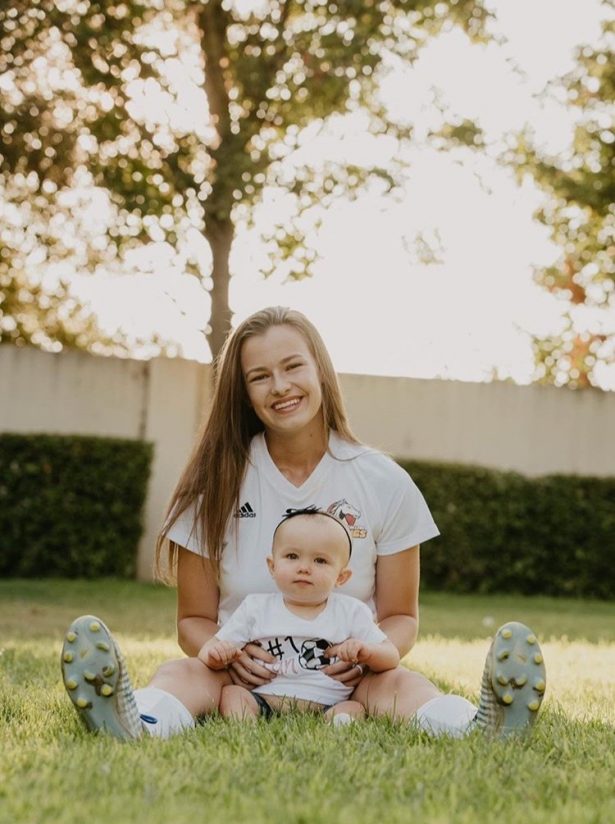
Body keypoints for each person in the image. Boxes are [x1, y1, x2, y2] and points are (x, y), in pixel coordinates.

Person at [61, 306, 547, 741]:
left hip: (352, 683)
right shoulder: (215, 485)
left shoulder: (384, 482)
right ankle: (136, 720)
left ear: (321, 371)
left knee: (403, 686)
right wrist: (224, 653)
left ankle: (474, 727)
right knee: (180, 674)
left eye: (293, 366)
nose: (280, 386)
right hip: (239, 681)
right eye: (260, 376)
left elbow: (400, 618)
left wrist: (369, 654)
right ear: (243, 393)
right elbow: (193, 621)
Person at [200, 507, 400, 724]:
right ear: (272, 566)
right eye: (292, 556)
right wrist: (218, 654)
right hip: (263, 698)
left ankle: (337, 724)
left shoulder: (351, 611)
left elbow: (391, 656)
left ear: (341, 577)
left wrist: (367, 652)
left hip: (330, 702)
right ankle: (245, 725)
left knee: (354, 708)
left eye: (320, 561)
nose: (304, 567)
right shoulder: (255, 608)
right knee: (231, 694)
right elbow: (207, 651)